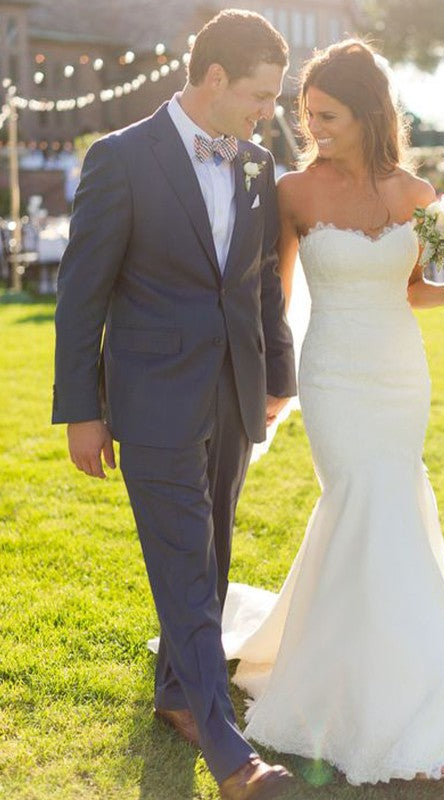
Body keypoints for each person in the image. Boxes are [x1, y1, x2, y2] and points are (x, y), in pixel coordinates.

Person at [221, 40, 444, 785]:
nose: (316, 130)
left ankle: (406, 686)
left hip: (398, 374)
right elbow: (274, 299)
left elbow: (417, 290)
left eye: (329, 116)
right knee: (360, 501)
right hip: (334, 376)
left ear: (370, 112)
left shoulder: (416, 193)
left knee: (394, 507)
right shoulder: (294, 193)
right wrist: (271, 381)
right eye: (308, 116)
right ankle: (349, 689)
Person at [52, 10, 297, 800]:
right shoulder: (120, 159)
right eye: (260, 94)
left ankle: (173, 695)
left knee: (214, 552)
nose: (270, 110)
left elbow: (261, 281)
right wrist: (81, 410)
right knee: (184, 563)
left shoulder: (258, 161)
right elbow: (81, 294)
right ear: (214, 78)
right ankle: (233, 758)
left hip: (234, 391)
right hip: (150, 396)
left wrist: (275, 383)